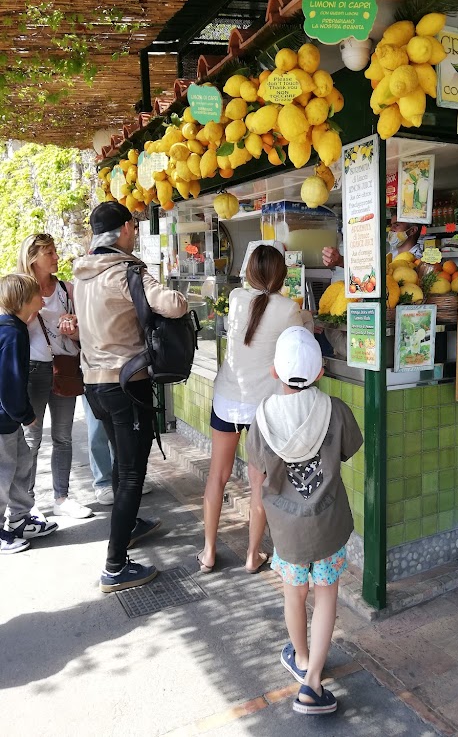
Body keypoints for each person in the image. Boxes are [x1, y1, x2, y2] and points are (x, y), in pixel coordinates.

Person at [247, 326, 363, 715]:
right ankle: (313, 681)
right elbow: (348, 450)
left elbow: (259, 474)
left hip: (287, 532)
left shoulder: (261, 419)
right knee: (327, 594)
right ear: (320, 372)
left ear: (275, 372)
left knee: (293, 594)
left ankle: (300, 657)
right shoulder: (337, 410)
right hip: (328, 525)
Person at [72, 201, 187, 593]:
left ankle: (130, 522)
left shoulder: (82, 273)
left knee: (123, 462)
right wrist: (181, 295)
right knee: (132, 473)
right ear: (123, 229)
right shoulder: (126, 271)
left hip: (94, 385)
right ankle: (115, 565)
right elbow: (171, 304)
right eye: (133, 227)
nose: (135, 232)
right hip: (126, 384)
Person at [199, 244, 313, 574]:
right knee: (258, 483)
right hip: (263, 409)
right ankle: (252, 556)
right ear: (282, 275)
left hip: (227, 400)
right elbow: (301, 340)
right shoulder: (288, 308)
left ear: (249, 272)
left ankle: (208, 552)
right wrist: (306, 316)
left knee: (217, 476)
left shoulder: (235, 299)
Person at [17, 233, 93, 520]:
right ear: (33, 257)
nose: (56, 257)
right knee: (31, 438)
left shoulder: (66, 289)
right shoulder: (20, 288)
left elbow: (83, 328)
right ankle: (28, 502)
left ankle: (62, 497)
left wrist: (73, 327)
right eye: (50, 253)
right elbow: (10, 327)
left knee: (63, 437)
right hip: (33, 369)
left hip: (65, 367)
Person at [0, 274, 58, 553]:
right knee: (3, 473)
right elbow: (9, 382)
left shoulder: (16, 328)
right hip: (4, 420)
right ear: (24, 300)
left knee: (21, 463)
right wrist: (24, 414)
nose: (42, 298)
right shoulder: (11, 333)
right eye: (37, 294)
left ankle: (20, 518)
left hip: (8, 419)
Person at [83, 396, 153, 506]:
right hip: (93, 383)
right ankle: (103, 483)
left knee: (121, 430)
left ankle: (123, 478)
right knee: (97, 431)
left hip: (116, 383)